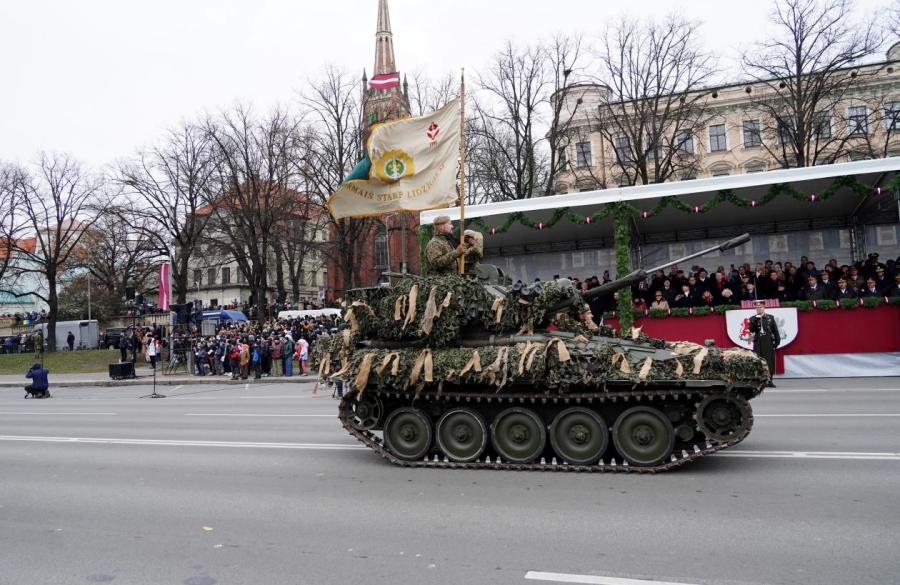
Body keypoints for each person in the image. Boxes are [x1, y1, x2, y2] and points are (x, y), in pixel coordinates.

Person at [748, 300, 780, 388]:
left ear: (764, 308)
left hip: (768, 342)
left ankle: (769, 380)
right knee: (758, 361)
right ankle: (759, 380)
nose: (759, 309)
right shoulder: (753, 318)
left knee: (769, 361)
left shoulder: (770, 318)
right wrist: (756, 319)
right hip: (758, 343)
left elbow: (775, 331)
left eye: (760, 307)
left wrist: (777, 342)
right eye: (757, 308)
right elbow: (751, 329)